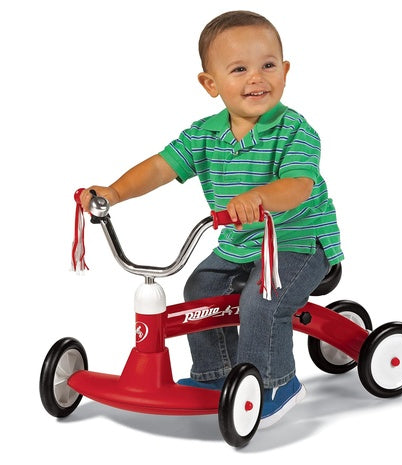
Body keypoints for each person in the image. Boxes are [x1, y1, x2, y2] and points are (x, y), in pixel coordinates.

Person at [80, 10, 344, 428]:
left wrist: (259, 198)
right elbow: (160, 167)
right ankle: (217, 373)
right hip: (240, 244)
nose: (256, 78)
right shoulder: (204, 134)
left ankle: (275, 383)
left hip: (298, 243)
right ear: (210, 84)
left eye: (268, 65)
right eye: (239, 69)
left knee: (262, 302)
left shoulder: (295, 130)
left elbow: (299, 185)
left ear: (285, 71)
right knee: (200, 287)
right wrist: (113, 192)